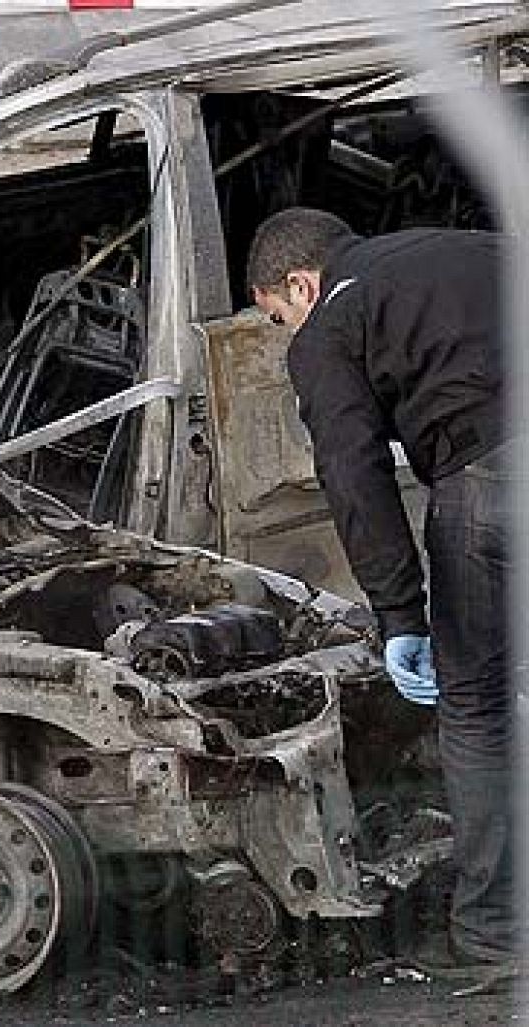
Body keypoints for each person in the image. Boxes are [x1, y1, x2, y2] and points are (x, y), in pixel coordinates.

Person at [247, 207, 516, 970]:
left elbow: (354, 471)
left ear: (300, 283)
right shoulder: (480, 248)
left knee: (478, 706)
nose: (284, 333)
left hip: (495, 471)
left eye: (276, 317)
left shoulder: (332, 323)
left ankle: (496, 932)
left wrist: (400, 612)